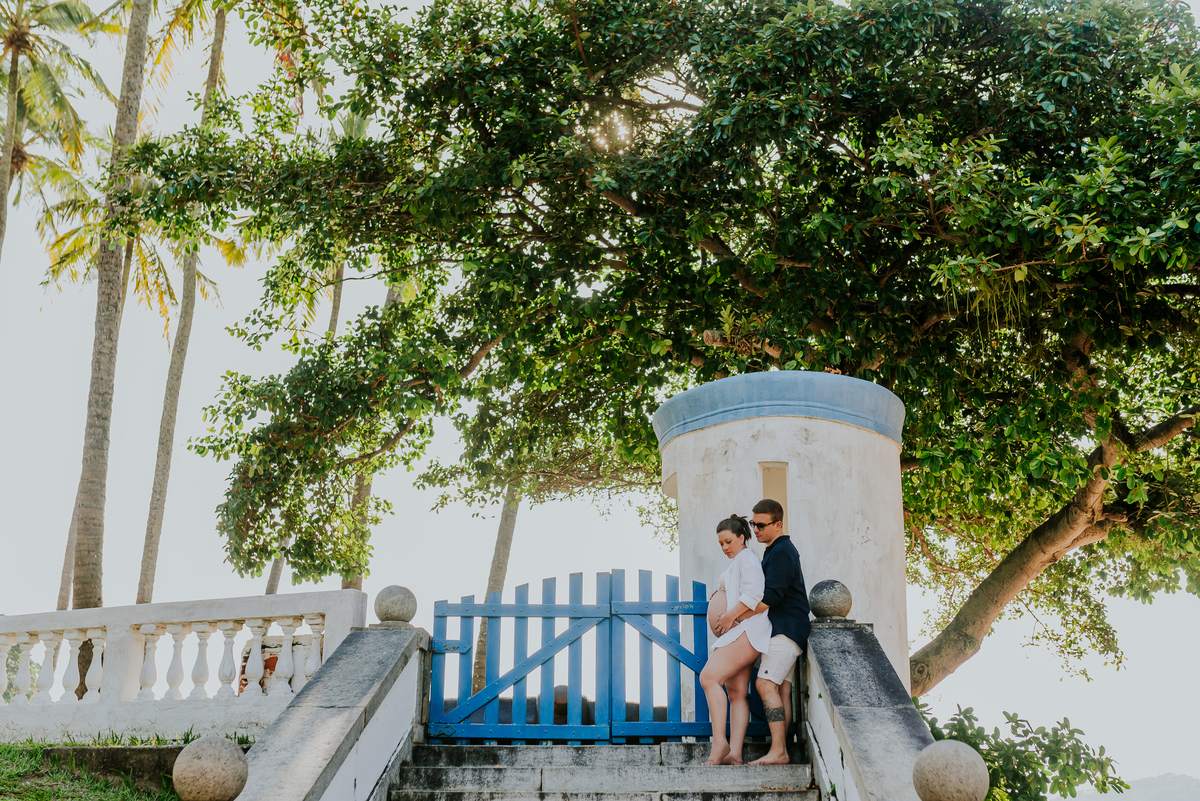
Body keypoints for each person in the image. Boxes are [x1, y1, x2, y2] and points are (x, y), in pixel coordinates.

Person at [714, 498, 811, 766]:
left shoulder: (781, 552)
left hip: (786, 628)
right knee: (780, 688)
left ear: (778, 524)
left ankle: (779, 752)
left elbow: (770, 597)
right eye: (754, 524)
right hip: (787, 628)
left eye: (761, 525)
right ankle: (782, 746)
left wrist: (734, 616)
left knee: (764, 683)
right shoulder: (773, 550)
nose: (756, 529)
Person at [698, 514, 773, 766]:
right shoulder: (741, 560)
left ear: (742, 538)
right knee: (737, 693)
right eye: (720, 544)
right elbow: (741, 590)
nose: (724, 547)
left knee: (709, 678)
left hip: (746, 631)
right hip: (745, 631)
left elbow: (755, 593)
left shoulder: (747, 559)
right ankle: (736, 754)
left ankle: (719, 743)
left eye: (728, 541)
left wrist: (730, 614)